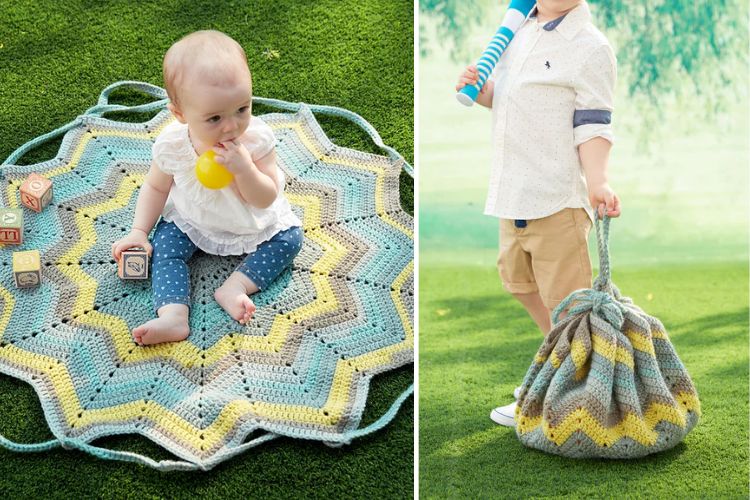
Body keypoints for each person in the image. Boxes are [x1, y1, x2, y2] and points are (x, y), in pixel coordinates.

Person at [455, 0, 621, 426]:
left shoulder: (589, 47)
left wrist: (598, 182)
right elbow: (513, 102)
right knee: (519, 283)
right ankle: (564, 373)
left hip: (555, 200)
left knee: (571, 309)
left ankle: (576, 396)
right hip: (513, 194)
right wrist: (483, 91)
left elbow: (593, 124)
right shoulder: (518, 30)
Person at [112, 30, 302, 346]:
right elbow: (156, 188)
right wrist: (138, 231)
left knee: (291, 239)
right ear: (180, 114)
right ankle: (172, 315)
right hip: (192, 221)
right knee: (165, 248)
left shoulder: (255, 140)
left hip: (248, 222)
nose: (231, 126)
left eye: (242, 108)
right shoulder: (174, 145)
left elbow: (267, 196)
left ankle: (235, 287)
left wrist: (244, 169)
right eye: (214, 118)